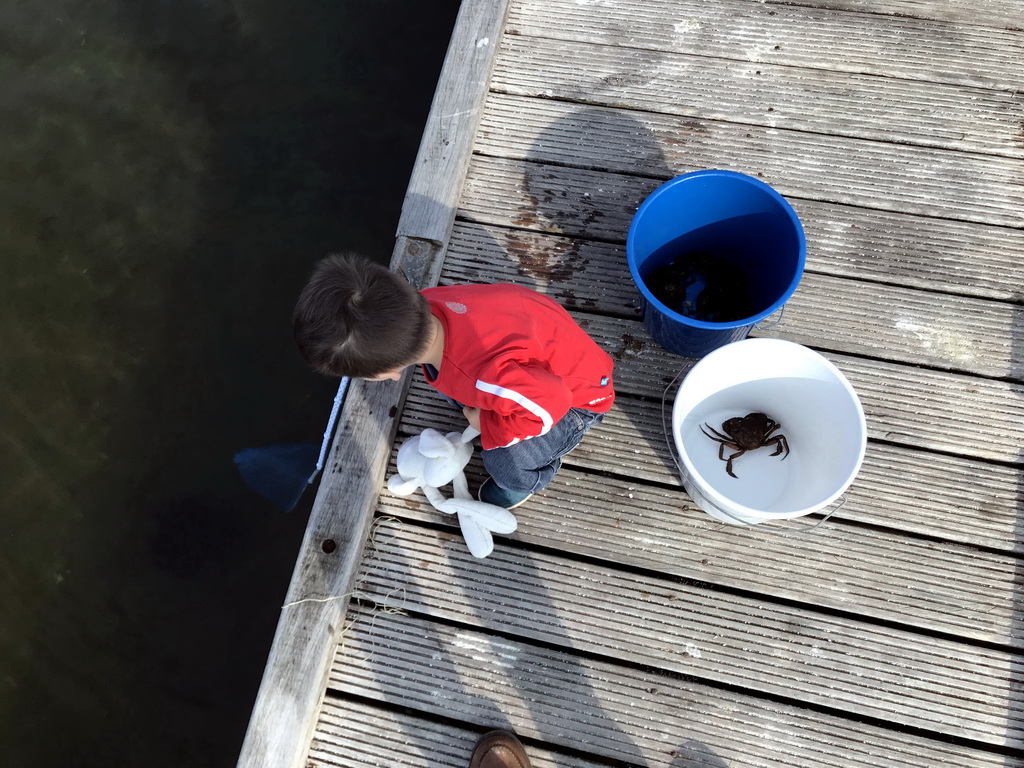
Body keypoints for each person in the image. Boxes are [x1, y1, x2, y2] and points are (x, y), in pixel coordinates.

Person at [293, 253, 615, 509]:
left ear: (387, 374)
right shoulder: (428, 302)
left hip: (578, 400)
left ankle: (527, 481)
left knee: (502, 461)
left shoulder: (484, 377)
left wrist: (488, 423)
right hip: (547, 353)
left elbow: (551, 404)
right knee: (471, 395)